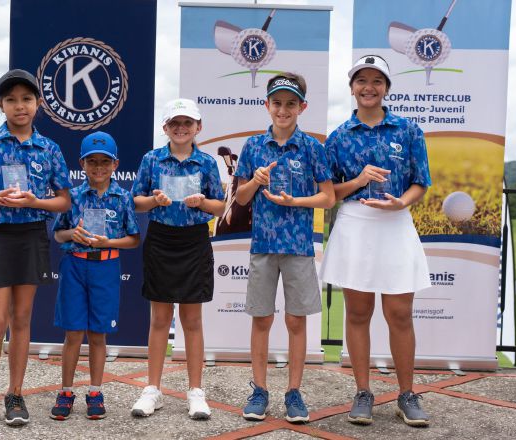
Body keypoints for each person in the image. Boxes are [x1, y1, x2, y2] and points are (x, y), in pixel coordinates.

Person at [0, 69, 72, 428]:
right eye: (11, 100)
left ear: (39, 104)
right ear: (0, 105)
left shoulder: (49, 148)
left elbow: (64, 201)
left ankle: (15, 394)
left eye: (26, 99)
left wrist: (37, 202)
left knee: (21, 320)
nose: (19, 106)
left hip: (32, 235)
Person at [320, 55, 432, 427]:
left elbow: (421, 182)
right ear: (352, 88)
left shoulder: (408, 130)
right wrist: (357, 180)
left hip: (395, 222)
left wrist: (403, 201)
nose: (368, 87)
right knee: (358, 313)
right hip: (355, 225)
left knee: (399, 313)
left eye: (376, 81)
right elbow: (330, 193)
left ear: (386, 87)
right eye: (361, 81)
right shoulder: (338, 137)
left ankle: (406, 394)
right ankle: (363, 392)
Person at [234, 73, 335, 424]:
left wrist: (298, 201)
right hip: (262, 245)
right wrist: (256, 181)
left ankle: (293, 393)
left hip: (298, 246)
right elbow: (241, 197)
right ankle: (259, 390)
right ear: (267, 105)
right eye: (277, 102)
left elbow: (329, 196)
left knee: (295, 320)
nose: (283, 109)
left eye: (291, 103)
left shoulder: (311, 147)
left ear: (302, 107)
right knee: (261, 319)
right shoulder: (253, 146)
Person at [130, 98, 225, 420]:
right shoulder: (152, 159)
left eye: (187, 123)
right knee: (159, 319)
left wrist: (202, 203)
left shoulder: (207, 163)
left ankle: (196, 392)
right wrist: (154, 200)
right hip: (161, 239)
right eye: (175, 123)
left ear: (198, 127)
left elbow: (220, 206)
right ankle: (152, 389)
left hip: (195, 241)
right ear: (165, 128)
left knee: (192, 321)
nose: (181, 129)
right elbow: (137, 203)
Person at [50, 131, 140, 420]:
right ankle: (66, 391)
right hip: (75, 265)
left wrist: (109, 243)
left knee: (98, 334)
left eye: (104, 161)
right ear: (82, 163)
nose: (98, 167)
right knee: (73, 332)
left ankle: (95, 391)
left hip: (106, 266)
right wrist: (71, 233)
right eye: (92, 162)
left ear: (115, 164)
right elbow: (57, 234)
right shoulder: (72, 196)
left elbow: (134, 239)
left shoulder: (123, 197)